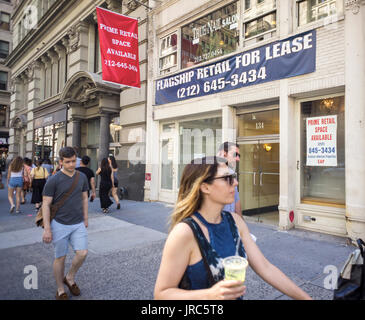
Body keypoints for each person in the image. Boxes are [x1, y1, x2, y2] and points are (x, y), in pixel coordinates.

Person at [154, 156, 312, 300]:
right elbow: (162, 293)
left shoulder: (235, 221)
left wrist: (306, 298)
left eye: (234, 177)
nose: (235, 183)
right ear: (205, 187)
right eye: (227, 178)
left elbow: (265, 267)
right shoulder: (185, 232)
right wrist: (209, 295)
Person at [42, 146, 89, 300]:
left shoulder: (81, 177)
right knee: (60, 257)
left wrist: (86, 218)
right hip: (59, 224)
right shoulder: (53, 180)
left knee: (82, 253)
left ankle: (69, 277)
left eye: (74, 161)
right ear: (60, 162)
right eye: (67, 162)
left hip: (77, 223)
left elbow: (84, 198)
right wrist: (47, 229)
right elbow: (46, 204)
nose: (71, 165)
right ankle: (60, 289)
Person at [217, 142, 242, 217]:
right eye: (235, 155)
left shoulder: (231, 172)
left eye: (239, 156)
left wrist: (240, 221)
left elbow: (236, 199)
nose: (238, 159)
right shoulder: (207, 172)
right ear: (224, 153)